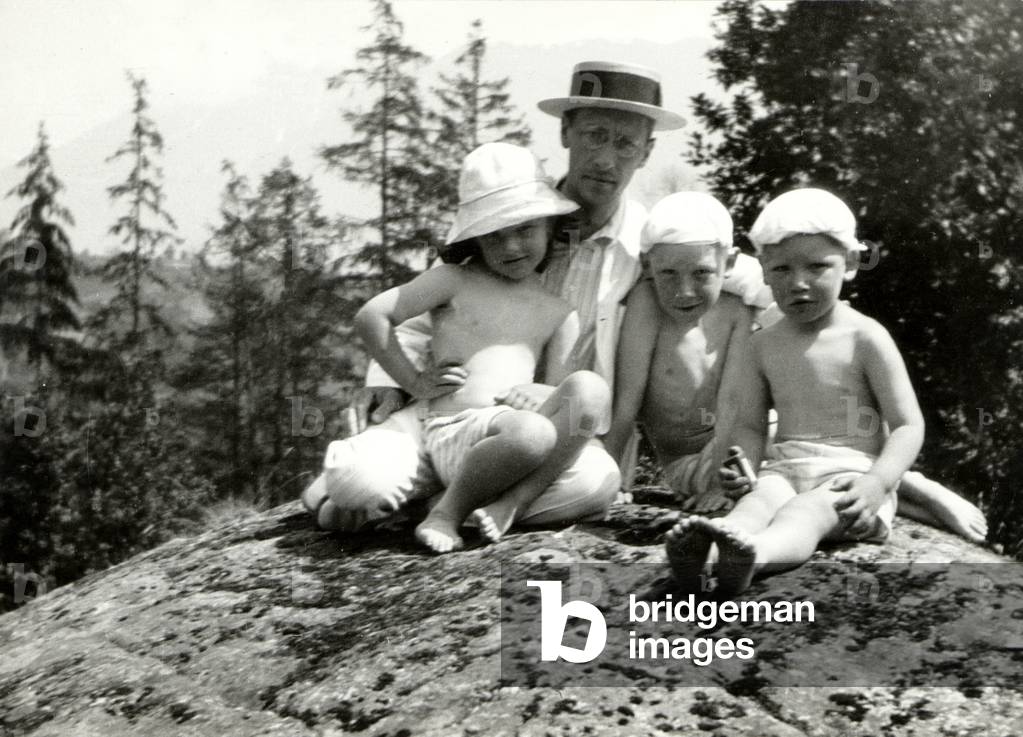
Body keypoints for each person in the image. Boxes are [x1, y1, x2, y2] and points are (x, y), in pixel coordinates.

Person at [303, 61, 770, 534]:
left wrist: (793, 297)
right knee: (361, 482)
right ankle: (397, 491)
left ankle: (447, 504)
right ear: (566, 133)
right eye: (594, 135)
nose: (607, 159)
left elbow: (728, 270)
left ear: (646, 153)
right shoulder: (506, 215)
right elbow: (424, 312)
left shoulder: (646, 246)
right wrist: (388, 376)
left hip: (554, 429)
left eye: (625, 143)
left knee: (598, 482)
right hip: (454, 411)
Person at [664, 188, 975, 595]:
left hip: (850, 475)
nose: (798, 284)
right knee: (754, 504)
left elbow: (907, 425)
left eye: (816, 267)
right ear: (764, 269)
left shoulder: (865, 337)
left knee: (805, 514)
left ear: (848, 264)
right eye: (780, 270)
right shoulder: (762, 344)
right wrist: (743, 468)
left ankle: (755, 555)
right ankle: (708, 559)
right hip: (785, 465)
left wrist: (877, 484)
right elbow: (750, 426)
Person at [354, 142, 608, 553]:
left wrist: (541, 393)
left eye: (525, 229)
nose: (511, 248)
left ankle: (511, 501)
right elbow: (371, 316)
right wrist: (414, 382)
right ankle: (446, 513)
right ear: (474, 238)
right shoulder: (453, 279)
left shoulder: (560, 312)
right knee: (531, 433)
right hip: (456, 430)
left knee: (591, 396)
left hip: (512, 437)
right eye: (495, 235)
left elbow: (559, 390)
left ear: (549, 226)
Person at [605, 192, 754, 513]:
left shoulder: (739, 311)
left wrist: (720, 479)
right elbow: (627, 398)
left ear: (728, 263)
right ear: (647, 266)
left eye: (701, 273)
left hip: (737, 447)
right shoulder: (646, 302)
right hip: (686, 463)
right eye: (668, 274)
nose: (684, 291)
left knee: (773, 453)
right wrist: (611, 478)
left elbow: (733, 401)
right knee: (757, 481)